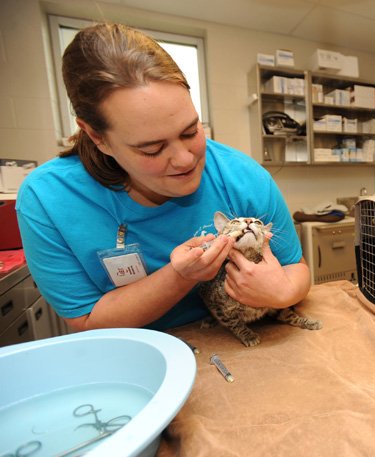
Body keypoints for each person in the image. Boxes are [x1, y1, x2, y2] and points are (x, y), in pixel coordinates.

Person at [16, 22, 310, 332]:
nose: (186, 159)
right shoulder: (48, 199)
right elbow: (86, 320)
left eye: (190, 131)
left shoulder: (244, 177)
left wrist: (283, 292)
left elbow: (295, 268)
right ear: (96, 135)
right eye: (152, 149)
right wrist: (180, 276)